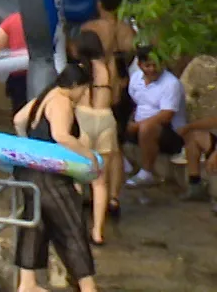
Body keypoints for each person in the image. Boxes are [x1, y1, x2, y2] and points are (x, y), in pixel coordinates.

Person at [12, 66, 102, 292]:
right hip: (50, 176)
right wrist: (88, 156)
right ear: (74, 86)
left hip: (29, 171)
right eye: (82, 90)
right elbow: (60, 136)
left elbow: (18, 120)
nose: (83, 95)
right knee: (71, 227)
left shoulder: (42, 97)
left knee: (35, 224)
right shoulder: (61, 101)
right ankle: (87, 286)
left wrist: (29, 148)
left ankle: (27, 284)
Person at [70, 31, 120, 242]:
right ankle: (98, 232)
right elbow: (115, 97)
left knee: (76, 178)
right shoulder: (110, 67)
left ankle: (75, 228)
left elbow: (71, 98)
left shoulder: (77, 69)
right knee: (100, 182)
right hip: (106, 118)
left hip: (84, 118)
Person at [124, 46, 186, 188]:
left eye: (155, 65)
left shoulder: (171, 83)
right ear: (140, 65)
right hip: (139, 126)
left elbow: (166, 115)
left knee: (147, 128)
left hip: (171, 132)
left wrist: (138, 126)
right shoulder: (135, 79)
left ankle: (146, 173)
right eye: (148, 65)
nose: (152, 69)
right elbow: (136, 103)